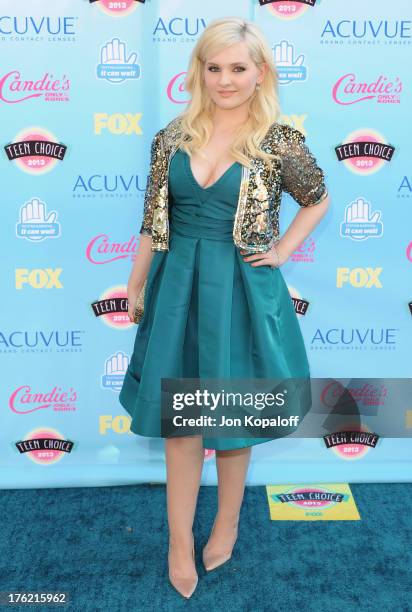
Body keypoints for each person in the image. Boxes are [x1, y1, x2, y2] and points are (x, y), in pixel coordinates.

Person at [119, 16, 330, 599]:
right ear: (200, 72)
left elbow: (316, 199)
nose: (225, 80)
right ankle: (178, 542)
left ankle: (227, 522)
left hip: (241, 288)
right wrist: (135, 284)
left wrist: (283, 249)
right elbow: (151, 224)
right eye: (215, 68)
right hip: (178, 288)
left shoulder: (278, 141)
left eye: (238, 68)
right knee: (180, 422)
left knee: (233, 417)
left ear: (260, 73)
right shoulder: (171, 138)